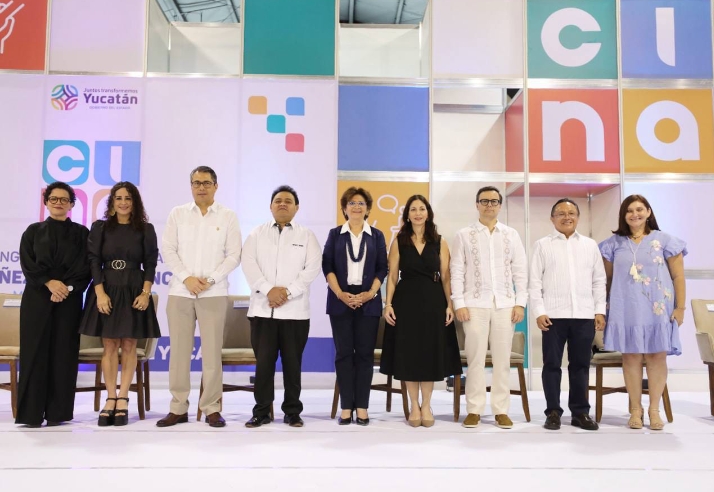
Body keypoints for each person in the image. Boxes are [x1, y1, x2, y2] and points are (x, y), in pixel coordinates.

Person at [158, 166, 242, 428]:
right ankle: (178, 407)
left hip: (213, 292)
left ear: (216, 186)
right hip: (181, 291)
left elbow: (234, 255)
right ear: (191, 186)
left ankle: (211, 408)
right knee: (179, 353)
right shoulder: (178, 214)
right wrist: (187, 278)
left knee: (212, 353)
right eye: (196, 183)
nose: (201, 187)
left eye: (206, 183)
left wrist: (211, 279)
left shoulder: (228, 216)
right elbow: (168, 250)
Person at [599, 194, 686, 431]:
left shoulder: (666, 241)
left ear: (648, 212)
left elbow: (678, 276)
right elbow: (606, 280)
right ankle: (635, 410)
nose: (634, 214)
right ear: (623, 215)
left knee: (657, 357)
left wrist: (680, 307)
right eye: (629, 210)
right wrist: (602, 309)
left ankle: (654, 410)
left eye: (639, 209)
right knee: (631, 358)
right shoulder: (612, 244)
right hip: (625, 309)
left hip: (658, 309)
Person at [78, 182, 161, 426]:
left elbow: (151, 262)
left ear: (135, 202)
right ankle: (110, 398)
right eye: (119, 198)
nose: (123, 202)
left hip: (134, 287)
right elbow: (93, 260)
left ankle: (123, 397)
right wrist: (100, 293)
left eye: (128, 198)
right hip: (107, 288)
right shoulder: (100, 227)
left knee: (129, 344)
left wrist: (145, 293)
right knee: (110, 344)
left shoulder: (145, 229)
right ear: (112, 201)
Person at [242, 185, 322, 428]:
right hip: (262, 311)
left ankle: (292, 412)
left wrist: (287, 292)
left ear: (296, 207)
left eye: (288, 201)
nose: (283, 204)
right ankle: (261, 412)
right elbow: (249, 264)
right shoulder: (256, 234)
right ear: (270, 206)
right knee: (264, 365)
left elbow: (312, 268)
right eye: (278, 200)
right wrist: (269, 290)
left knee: (292, 365)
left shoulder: (307, 236)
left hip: (295, 313)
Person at [380, 195, 462, 427]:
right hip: (405, 303)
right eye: (413, 209)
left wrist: (449, 305)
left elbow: (446, 276)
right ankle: (413, 405)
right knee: (409, 355)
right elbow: (392, 277)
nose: (418, 213)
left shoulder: (440, 241)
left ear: (428, 213)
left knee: (429, 355)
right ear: (407, 214)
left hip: (434, 302)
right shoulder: (399, 241)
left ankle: (426, 405)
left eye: (422, 209)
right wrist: (388, 304)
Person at [450, 186, 527, 429]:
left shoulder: (511, 234)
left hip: (505, 304)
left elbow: (520, 271)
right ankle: (474, 409)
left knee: (502, 360)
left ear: (500, 205)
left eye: (494, 201)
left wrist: (520, 303)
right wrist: (459, 303)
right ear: (477, 205)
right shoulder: (464, 234)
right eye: (484, 201)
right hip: (474, 305)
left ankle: (501, 410)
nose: (489, 205)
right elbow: (456, 271)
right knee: (475, 359)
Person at [16, 182, 91, 427]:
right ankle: (30, 414)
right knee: (34, 354)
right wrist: (49, 283)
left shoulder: (82, 234)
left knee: (63, 355)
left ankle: (58, 413)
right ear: (46, 202)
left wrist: (65, 288)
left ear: (71, 204)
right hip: (37, 299)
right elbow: (28, 264)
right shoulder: (33, 231)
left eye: (64, 199)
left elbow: (85, 268)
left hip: (68, 301)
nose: (58, 203)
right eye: (54, 199)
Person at [529, 198, 606, 431]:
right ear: (552, 218)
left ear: (578, 217)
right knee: (551, 365)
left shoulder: (590, 245)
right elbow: (534, 282)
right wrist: (539, 311)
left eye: (571, 213)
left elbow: (599, 280)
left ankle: (580, 412)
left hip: (584, 315)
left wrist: (599, 310)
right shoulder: (542, 245)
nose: (566, 217)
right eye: (561, 213)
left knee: (580, 365)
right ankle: (553, 412)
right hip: (553, 316)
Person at [323, 187, 387, 426]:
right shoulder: (335, 234)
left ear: (368, 209)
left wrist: (370, 294)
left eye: (361, 203)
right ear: (344, 208)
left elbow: (382, 268)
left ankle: (362, 407)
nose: (357, 207)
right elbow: (327, 266)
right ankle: (346, 407)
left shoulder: (377, 236)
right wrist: (340, 294)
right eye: (352, 203)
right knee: (343, 354)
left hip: (368, 301)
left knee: (364, 355)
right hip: (340, 300)